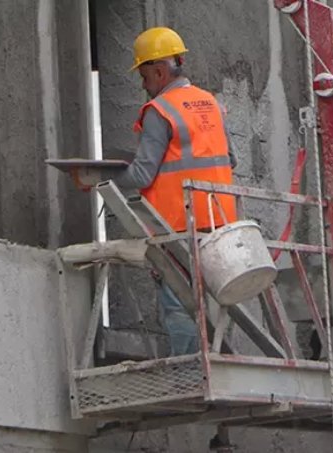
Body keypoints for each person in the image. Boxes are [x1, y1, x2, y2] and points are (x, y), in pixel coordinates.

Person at [71, 27, 237, 356]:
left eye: (144, 77)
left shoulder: (160, 111)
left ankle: (190, 372)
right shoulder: (210, 104)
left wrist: (98, 180)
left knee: (179, 306)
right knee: (212, 302)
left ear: (160, 71)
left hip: (177, 224)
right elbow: (228, 158)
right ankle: (210, 363)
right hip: (219, 222)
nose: (143, 85)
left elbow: (144, 173)